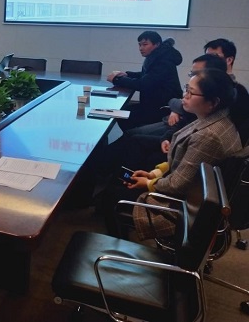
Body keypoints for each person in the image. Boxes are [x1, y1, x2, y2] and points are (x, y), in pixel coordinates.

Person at [105, 69, 245, 240]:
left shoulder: (209, 136)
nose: (184, 95)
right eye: (186, 89)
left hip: (183, 207)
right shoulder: (214, 120)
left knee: (110, 196)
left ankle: (120, 248)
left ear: (213, 102)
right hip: (192, 195)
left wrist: (148, 183)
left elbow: (177, 185)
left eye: (191, 92)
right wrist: (154, 173)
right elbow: (186, 164)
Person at [107, 31, 183, 130]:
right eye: (139, 45)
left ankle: (131, 137)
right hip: (154, 104)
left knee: (122, 114)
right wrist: (127, 74)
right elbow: (147, 76)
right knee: (122, 112)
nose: (141, 48)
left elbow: (143, 84)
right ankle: (130, 136)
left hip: (162, 108)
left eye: (145, 44)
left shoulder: (163, 62)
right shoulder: (159, 56)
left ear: (157, 44)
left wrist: (117, 79)